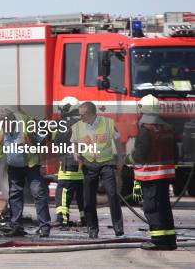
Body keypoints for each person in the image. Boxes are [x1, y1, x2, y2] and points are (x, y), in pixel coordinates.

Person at [127, 94, 177, 250]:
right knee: (164, 206)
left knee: (152, 207)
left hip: (150, 175)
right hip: (165, 175)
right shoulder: (168, 128)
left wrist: (129, 156)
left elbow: (140, 154)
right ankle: (169, 239)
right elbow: (175, 152)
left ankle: (158, 240)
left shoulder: (146, 130)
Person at [0, 108, 51, 237]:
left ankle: (44, 227)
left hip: (31, 165)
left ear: (10, 121)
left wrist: (44, 163)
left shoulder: (26, 126)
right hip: (14, 166)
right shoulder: (2, 129)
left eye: (2, 124)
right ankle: (16, 226)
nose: (1, 127)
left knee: (38, 192)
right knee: (14, 195)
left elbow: (42, 140)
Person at [71, 101, 124, 238]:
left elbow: (117, 140)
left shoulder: (108, 123)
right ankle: (92, 228)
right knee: (88, 199)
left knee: (112, 194)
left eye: (82, 115)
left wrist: (120, 158)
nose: (80, 117)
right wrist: (76, 154)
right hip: (89, 164)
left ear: (91, 114)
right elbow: (74, 143)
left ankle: (118, 228)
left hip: (106, 163)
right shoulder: (77, 127)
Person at [52, 97, 85, 227]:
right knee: (83, 196)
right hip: (86, 165)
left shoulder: (65, 123)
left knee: (63, 192)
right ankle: (86, 219)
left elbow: (58, 141)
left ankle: (62, 220)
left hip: (70, 164)